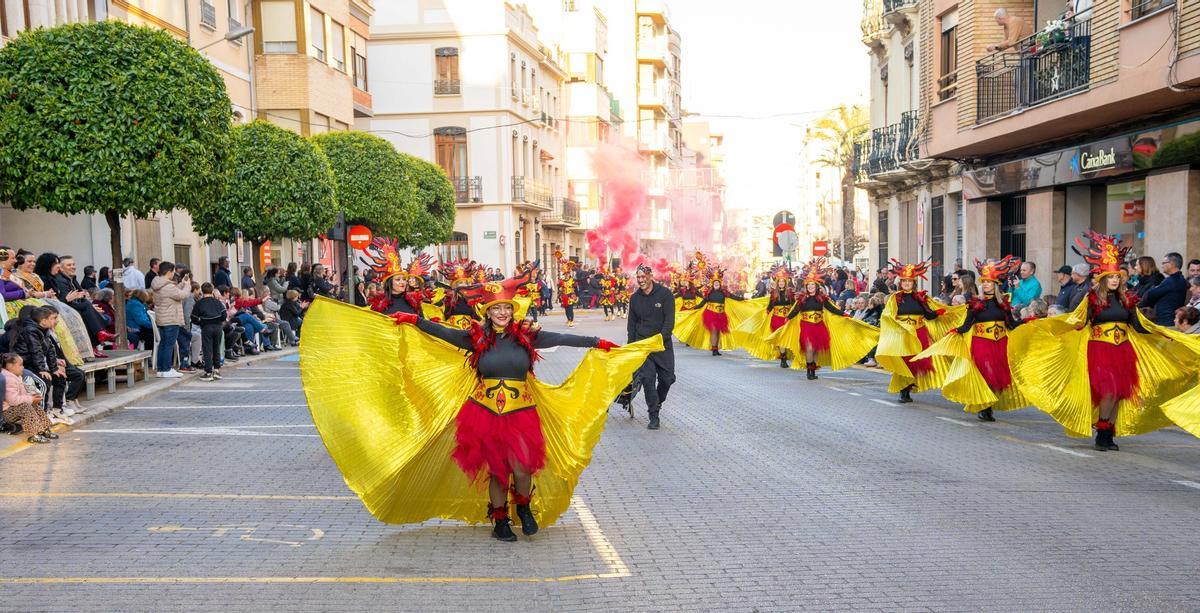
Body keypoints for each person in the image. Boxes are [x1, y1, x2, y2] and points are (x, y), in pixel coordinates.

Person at [300, 282, 659, 543]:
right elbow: (439, 332)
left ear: (513, 312)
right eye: (496, 309)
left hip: (521, 411)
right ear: (487, 313)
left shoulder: (527, 336)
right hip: (485, 413)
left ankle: (524, 507)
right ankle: (500, 520)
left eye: (507, 309)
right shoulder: (474, 338)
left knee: (522, 467)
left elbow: (564, 339)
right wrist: (413, 321)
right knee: (498, 470)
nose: (502, 313)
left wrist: (598, 342)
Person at [1012, 232, 1200, 452]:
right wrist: (1049, 328)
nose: (1114, 280)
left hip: (1122, 350)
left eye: (1117, 277)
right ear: (1103, 279)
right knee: (1109, 391)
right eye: (1110, 277)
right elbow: (1077, 321)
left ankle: (1109, 432)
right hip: (1100, 350)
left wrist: (1166, 335)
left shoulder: (1126, 300)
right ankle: (1101, 432)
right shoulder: (1092, 299)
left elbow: (1139, 326)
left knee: (1119, 392)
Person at [916, 257, 1026, 422]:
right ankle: (985, 407)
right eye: (984, 282)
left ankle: (988, 405)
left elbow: (1011, 324)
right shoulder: (975, 305)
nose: (986, 284)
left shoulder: (1003, 304)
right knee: (984, 374)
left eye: (989, 282)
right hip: (981, 343)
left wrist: (1028, 322)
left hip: (1000, 344)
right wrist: (955, 331)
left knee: (997, 376)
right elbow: (966, 326)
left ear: (995, 284)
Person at [758, 261, 878, 380]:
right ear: (806, 286)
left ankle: (813, 369)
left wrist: (844, 314)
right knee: (809, 348)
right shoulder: (802, 298)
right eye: (808, 285)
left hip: (819, 325)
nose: (810, 287)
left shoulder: (822, 298)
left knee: (816, 349)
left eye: (812, 285)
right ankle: (808, 369)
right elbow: (795, 310)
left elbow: (831, 308)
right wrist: (788, 317)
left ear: (816, 286)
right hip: (806, 326)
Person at [876, 259, 965, 404]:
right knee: (905, 363)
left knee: (916, 362)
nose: (907, 283)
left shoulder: (920, 298)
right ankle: (903, 391)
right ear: (900, 282)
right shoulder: (895, 299)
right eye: (904, 281)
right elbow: (888, 316)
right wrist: (899, 327)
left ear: (914, 283)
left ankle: (910, 387)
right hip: (903, 335)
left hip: (919, 334)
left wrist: (940, 313)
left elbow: (928, 315)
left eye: (909, 281)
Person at [673, 260, 760, 356]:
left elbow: (733, 297)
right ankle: (714, 349)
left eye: (718, 283)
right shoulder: (709, 293)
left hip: (721, 314)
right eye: (715, 283)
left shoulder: (724, 292)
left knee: (718, 331)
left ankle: (716, 348)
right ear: (713, 284)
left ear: (720, 284)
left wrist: (743, 299)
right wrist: (694, 308)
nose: (716, 285)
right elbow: (703, 302)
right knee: (714, 331)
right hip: (710, 314)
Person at [626, 264, 676, 430]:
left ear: (650, 276)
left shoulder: (665, 295)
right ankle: (653, 415)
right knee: (648, 379)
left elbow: (669, 321)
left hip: (662, 345)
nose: (640, 280)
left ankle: (657, 402)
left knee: (667, 379)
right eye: (638, 277)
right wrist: (631, 348)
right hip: (643, 346)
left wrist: (661, 338)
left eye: (643, 277)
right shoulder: (635, 298)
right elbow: (631, 325)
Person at [735, 266, 796, 368]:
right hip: (777, 319)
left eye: (783, 281)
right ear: (777, 283)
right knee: (780, 339)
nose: (781, 283)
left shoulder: (790, 293)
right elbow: (770, 306)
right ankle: (783, 359)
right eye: (780, 281)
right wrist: (765, 314)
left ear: (785, 282)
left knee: (784, 338)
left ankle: (784, 356)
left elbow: (794, 306)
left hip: (787, 319)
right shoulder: (774, 293)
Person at [2, 353, 56, 444]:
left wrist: (33, 398)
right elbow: (13, 400)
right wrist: (31, 399)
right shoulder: (8, 379)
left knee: (34, 405)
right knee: (25, 407)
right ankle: (33, 435)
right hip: (6, 413)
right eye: (20, 365)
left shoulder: (16, 376)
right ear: (10, 366)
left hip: (15, 408)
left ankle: (45, 429)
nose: (23, 367)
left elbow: (22, 395)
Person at [151, 262, 191, 378]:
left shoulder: (158, 284)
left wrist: (182, 283)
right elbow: (182, 295)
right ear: (169, 272)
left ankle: (161, 370)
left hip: (162, 318)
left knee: (163, 344)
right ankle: (167, 369)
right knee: (169, 345)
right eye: (173, 272)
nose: (173, 274)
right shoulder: (168, 286)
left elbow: (174, 292)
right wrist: (187, 286)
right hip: (171, 319)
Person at [1141, 252, 1189, 327]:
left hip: (1166, 322)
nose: (1162, 265)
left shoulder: (1172, 280)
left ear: (1171, 264)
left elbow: (1150, 295)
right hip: (1168, 320)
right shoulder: (1178, 279)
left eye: (1164, 263)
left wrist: (1153, 288)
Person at [192, 283, 227, 382]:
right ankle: (216, 370)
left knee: (207, 349)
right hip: (218, 327)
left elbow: (193, 318)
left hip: (206, 327)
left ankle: (208, 372)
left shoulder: (199, 303)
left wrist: (201, 322)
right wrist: (219, 321)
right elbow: (224, 315)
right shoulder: (218, 302)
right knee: (216, 348)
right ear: (212, 291)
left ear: (202, 291)